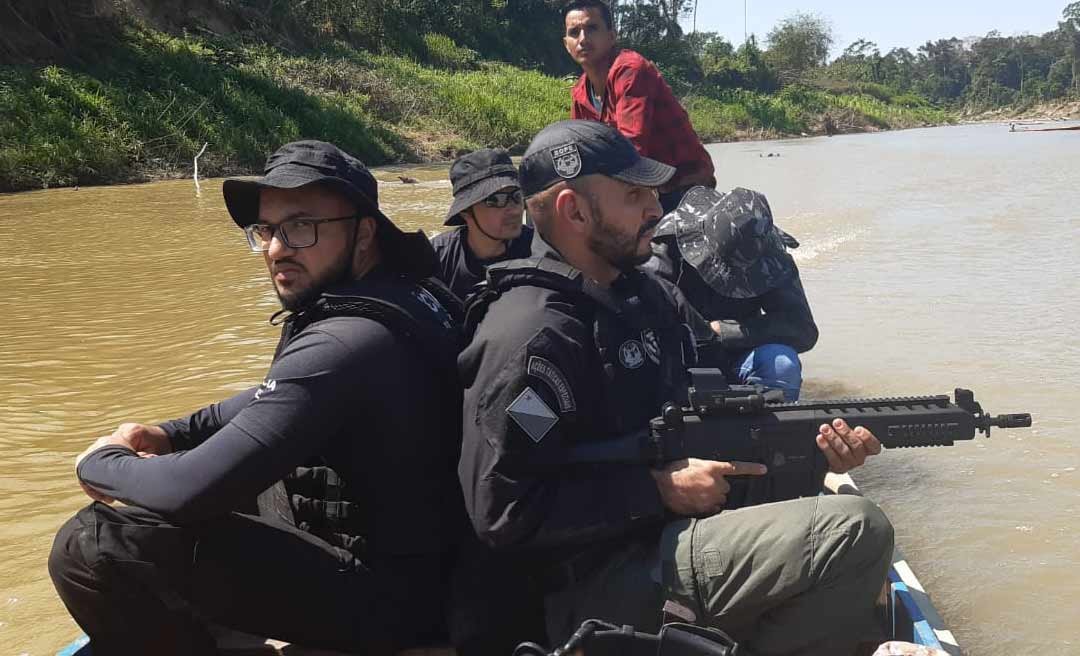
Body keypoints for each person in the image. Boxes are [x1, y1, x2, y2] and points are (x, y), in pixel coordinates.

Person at [458, 120, 894, 655]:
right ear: (574, 211)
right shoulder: (530, 339)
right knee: (855, 530)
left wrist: (816, 451)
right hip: (589, 581)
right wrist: (655, 490)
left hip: (655, 532)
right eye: (634, 195)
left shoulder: (647, 296)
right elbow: (501, 512)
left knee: (803, 490)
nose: (656, 211)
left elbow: (712, 399)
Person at [48, 140, 465, 656]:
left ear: (364, 232)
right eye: (266, 230)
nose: (276, 249)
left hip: (400, 603)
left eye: (301, 227)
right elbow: (272, 400)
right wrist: (168, 433)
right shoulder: (399, 297)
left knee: (92, 543)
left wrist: (100, 462)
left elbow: (189, 491)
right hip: (431, 568)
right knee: (232, 462)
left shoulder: (347, 339)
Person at [646, 186, 818, 400]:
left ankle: (770, 429)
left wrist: (724, 331)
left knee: (782, 363)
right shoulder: (665, 245)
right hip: (678, 352)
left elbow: (803, 329)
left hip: (740, 351)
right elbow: (639, 315)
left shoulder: (768, 252)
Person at [562, 0, 716, 213]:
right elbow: (578, 152)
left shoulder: (630, 71)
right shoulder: (580, 93)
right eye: (574, 32)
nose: (583, 39)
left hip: (683, 187)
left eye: (592, 28)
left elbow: (631, 150)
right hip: (634, 188)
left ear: (611, 36)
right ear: (566, 44)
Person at [432, 147, 533, 300]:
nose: (514, 210)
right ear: (466, 211)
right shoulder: (437, 258)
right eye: (496, 200)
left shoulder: (540, 250)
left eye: (517, 196)